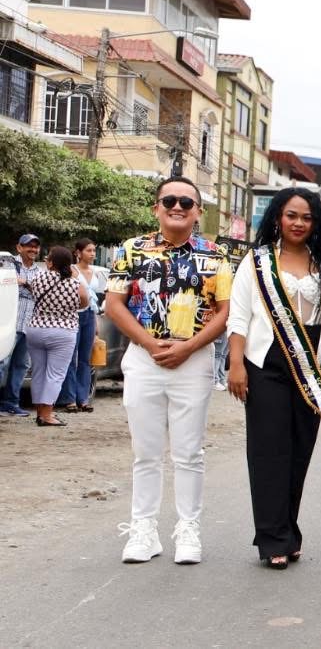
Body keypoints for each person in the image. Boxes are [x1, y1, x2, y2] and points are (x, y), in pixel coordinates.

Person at [106, 177, 232, 565]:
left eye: (186, 202)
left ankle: (188, 529)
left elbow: (225, 312)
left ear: (198, 212)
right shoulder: (131, 249)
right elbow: (114, 304)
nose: (178, 207)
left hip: (193, 360)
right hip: (144, 359)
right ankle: (143, 530)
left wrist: (189, 347)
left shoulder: (216, 255)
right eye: (170, 200)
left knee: (188, 452)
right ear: (156, 208)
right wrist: (148, 343)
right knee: (145, 452)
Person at [226, 187, 321, 569]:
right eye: (292, 215)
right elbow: (238, 316)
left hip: (312, 364)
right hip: (266, 363)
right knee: (268, 451)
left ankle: (288, 529)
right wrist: (235, 363)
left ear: (316, 223)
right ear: (278, 217)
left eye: (306, 217)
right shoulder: (257, 262)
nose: (298, 223)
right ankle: (272, 538)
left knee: (299, 451)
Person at [26, 246, 89, 427]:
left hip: (36, 328)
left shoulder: (37, 278)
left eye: (48, 258)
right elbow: (84, 303)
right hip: (63, 331)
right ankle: (47, 415)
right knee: (55, 374)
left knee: (38, 372)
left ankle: (40, 413)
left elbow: (32, 293)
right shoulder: (75, 284)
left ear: (51, 263)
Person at [57, 238, 104, 413]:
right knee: (71, 357)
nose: (92, 254)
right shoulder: (71, 270)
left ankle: (82, 398)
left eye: (94, 250)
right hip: (74, 315)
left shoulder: (95, 272)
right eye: (88, 250)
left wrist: (96, 322)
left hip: (89, 315)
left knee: (85, 358)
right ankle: (69, 399)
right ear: (78, 252)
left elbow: (94, 301)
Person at [0, 234, 41, 417]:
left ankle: (10, 403)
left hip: (29, 325)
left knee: (21, 366)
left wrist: (23, 283)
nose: (33, 249)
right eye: (28, 246)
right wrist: (29, 287)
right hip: (8, 324)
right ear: (19, 248)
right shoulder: (7, 265)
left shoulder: (39, 271)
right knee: (2, 363)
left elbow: (40, 292)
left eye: (35, 246)